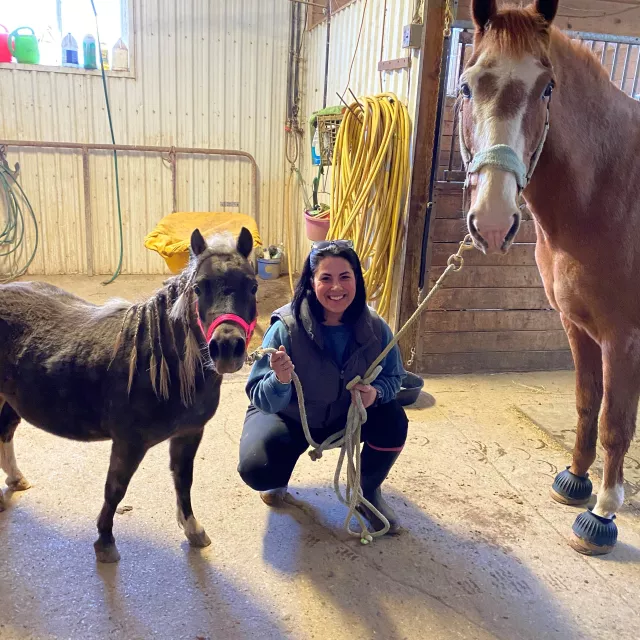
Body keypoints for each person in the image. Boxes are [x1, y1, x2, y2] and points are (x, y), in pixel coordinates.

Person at [237, 239, 409, 533]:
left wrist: (376, 393)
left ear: (357, 280)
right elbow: (259, 395)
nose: (336, 288)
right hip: (289, 418)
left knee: (393, 419)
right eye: (325, 278)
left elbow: (395, 377)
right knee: (258, 467)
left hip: (346, 417)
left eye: (345, 277)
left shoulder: (376, 327)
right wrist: (280, 380)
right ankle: (278, 477)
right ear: (311, 282)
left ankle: (366, 493)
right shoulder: (285, 328)